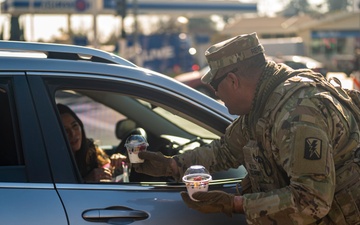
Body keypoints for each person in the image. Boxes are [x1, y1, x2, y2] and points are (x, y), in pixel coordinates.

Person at [133, 32, 360, 224]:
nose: (216, 94)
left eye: (215, 86)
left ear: (233, 80)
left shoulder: (297, 114)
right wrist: (172, 165)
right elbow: (225, 151)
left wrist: (236, 204)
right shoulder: (263, 104)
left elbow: (312, 200)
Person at [57, 103, 127, 183]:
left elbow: (108, 168)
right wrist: (86, 181)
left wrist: (118, 161)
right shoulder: (55, 163)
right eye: (65, 130)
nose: (73, 133)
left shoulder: (91, 150)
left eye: (74, 126)